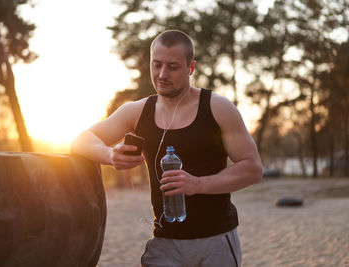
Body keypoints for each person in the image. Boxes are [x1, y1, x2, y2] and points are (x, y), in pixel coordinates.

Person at [71, 30, 263, 267]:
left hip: (215, 240)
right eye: (156, 65)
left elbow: (252, 168)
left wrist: (198, 184)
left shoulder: (217, 108)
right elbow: (81, 140)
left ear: (190, 68)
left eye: (172, 66)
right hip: (165, 243)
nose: (162, 74)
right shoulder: (139, 111)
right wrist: (110, 155)